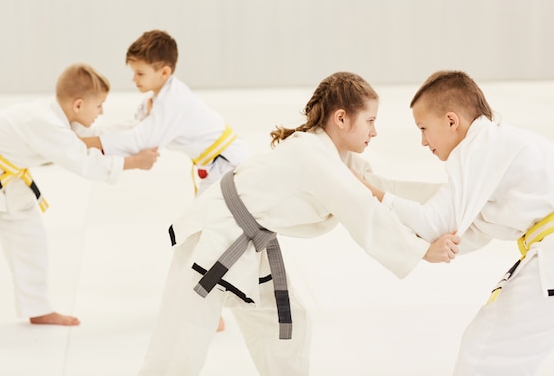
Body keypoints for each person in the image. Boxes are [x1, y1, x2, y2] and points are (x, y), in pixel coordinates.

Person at [135, 71, 460, 376]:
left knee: (285, 325)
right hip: (214, 239)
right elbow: (362, 210)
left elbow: (379, 191)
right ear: (342, 118)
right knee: (179, 345)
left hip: (248, 243)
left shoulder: (331, 155)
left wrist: (452, 201)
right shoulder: (312, 154)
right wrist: (422, 251)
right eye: (370, 121)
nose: (375, 131)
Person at [0, 63, 159, 354]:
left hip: (11, 177)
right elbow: (85, 161)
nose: (101, 111)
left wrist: (141, 123)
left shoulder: (62, 117)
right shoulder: (44, 123)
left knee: (31, 244)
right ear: (78, 104)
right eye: (100, 105)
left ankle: (37, 308)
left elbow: (99, 135)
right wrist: (134, 162)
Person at [362, 70, 554, 376]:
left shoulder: (478, 147)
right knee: (489, 350)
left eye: (424, 128)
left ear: (452, 121)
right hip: (549, 252)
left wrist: (371, 194)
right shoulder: (493, 146)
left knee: (484, 353)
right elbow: (464, 227)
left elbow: (434, 222)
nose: (423, 141)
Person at [80, 29, 252, 331]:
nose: (134, 80)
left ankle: (213, 313)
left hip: (228, 166)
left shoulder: (173, 102)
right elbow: (133, 126)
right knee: (205, 235)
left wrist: (89, 143)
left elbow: (140, 140)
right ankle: (211, 310)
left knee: (207, 235)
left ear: (164, 71)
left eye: (140, 73)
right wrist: (89, 137)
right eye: (133, 72)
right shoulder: (157, 98)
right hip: (215, 166)